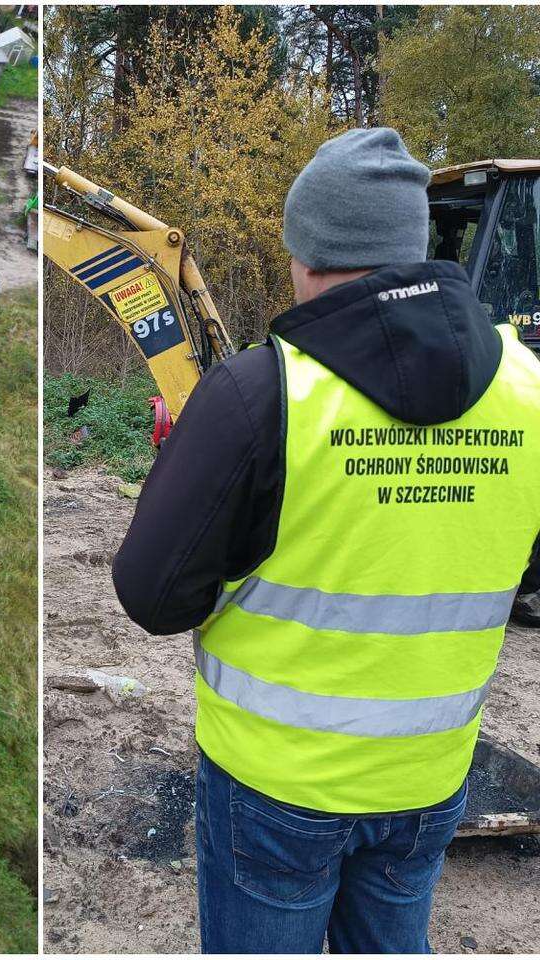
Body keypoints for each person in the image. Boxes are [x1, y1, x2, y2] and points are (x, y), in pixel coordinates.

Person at [112, 127, 540, 953]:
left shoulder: (261, 392)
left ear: (307, 250)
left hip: (276, 787)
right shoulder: (528, 390)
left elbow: (152, 596)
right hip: (427, 779)